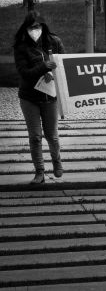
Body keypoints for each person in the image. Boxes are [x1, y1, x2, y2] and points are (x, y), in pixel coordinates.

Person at [14, 11, 65, 185]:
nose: (34, 30)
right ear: (25, 29)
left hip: (50, 97)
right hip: (29, 98)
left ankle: (57, 161)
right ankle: (40, 172)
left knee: (52, 135)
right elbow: (24, 74)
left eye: (37, 27)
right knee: (35, 136)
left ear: (43, 26)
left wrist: (53, 73)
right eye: (30, 27)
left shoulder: (54, 42)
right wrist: (43, 67)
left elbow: (64, 66)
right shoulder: (21, 47)